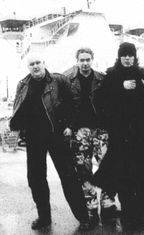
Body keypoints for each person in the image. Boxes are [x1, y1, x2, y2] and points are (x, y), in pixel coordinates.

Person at [9, 54, 91, 231]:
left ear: (44, 63)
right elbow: (18, 108)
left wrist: (70, 125)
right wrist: (17, 128)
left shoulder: (59, 80)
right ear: (28, 67)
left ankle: (83, 217)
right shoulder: (23, 84)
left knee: (68, 176)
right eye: (32, 64)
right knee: (36, 179)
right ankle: (44, 217)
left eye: (38, 63)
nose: (36, 66)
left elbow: (74, 103)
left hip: (57, 136)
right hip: (34, 138)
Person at [92, 42, 144, 227]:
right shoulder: (112, 76)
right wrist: (120, 88)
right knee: (124, 174)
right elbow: (100, 100)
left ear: (135, 57)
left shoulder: (142, 74)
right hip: (120, 134)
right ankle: (129, 211)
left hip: (140, 134)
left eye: (130, 55)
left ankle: (143, 210)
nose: (128, 58)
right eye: (124, 55)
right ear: (119, 57)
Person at [64, 47, 117, 222]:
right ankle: (91, 205)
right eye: (82, 60)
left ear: (92, 60)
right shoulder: (69, 81)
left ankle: (107, 203)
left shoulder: (102, 79)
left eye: (88, 59)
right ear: (77, 61)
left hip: (101, 130)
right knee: (83, 169)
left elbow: (111, 103)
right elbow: (66, 107)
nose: (85, 63)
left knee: (107, 167)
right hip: (81, 131)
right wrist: (69, 126)